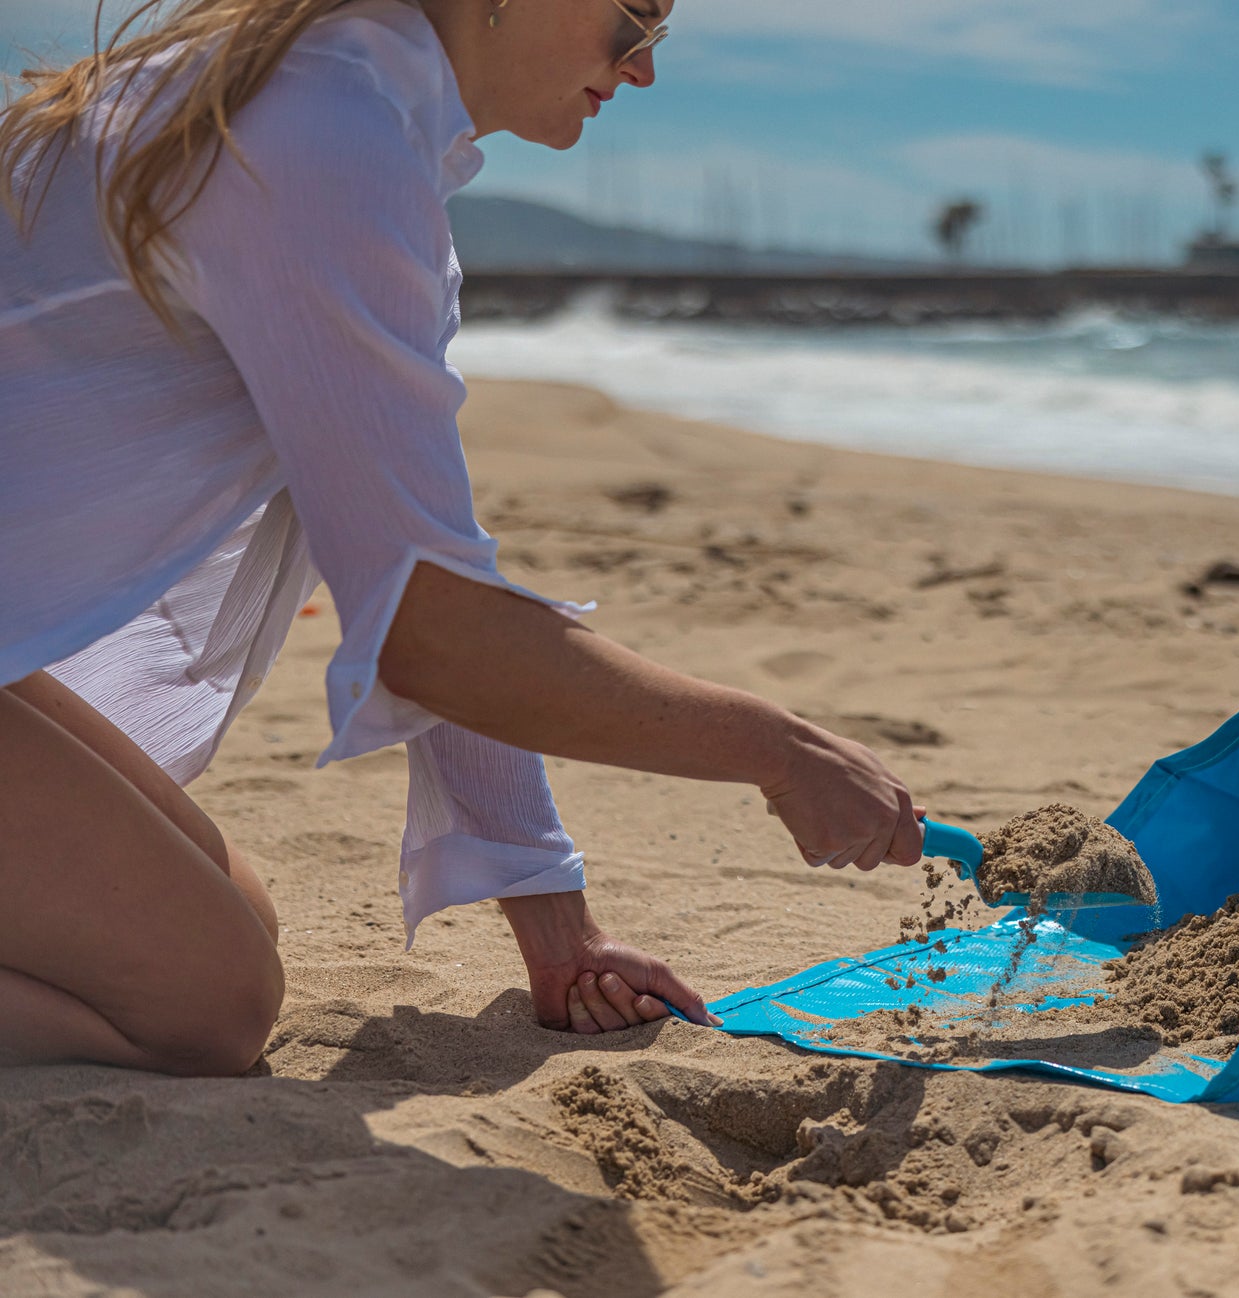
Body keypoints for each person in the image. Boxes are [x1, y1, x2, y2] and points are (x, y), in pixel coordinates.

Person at [0, 0, 925, 1076]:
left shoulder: (344, 113)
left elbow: (425, 565)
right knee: (207, 1002)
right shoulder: (323, 134)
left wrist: (558, 934)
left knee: (233, 921)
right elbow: (433, 630)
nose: (642, 70)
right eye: (632, 19)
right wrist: (778, 748)